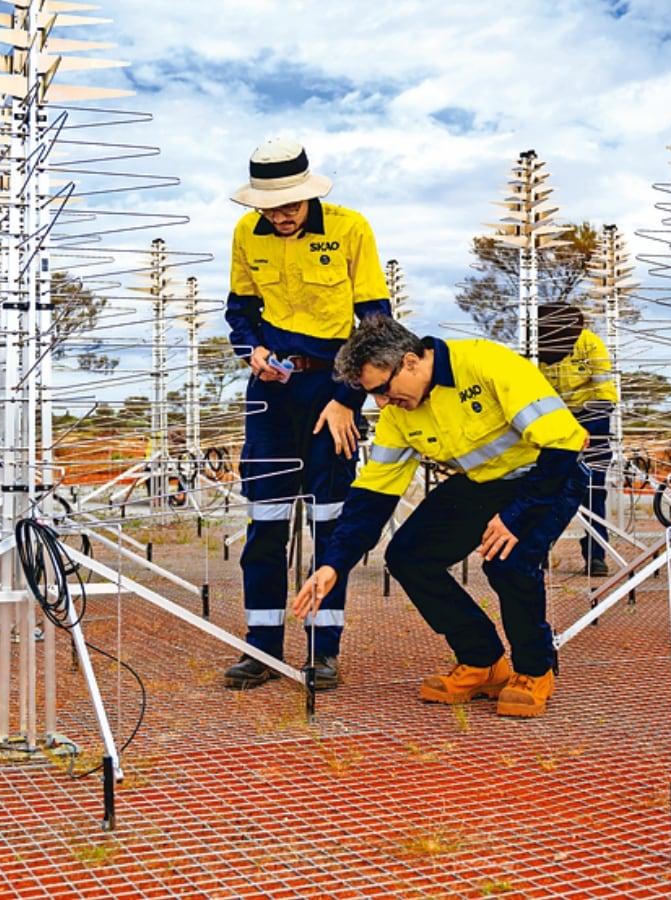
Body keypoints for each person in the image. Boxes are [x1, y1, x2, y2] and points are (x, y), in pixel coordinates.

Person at [290, 316, 588, 718]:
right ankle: (483, 662)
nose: (380, 403)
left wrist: (515, 517)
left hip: (549, 473)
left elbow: (563, 442)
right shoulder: (399, 414)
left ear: (410, 362)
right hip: (484, 483)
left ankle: (535, 669)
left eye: (382, 389)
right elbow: (372, 496)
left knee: (509, 562)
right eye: (370, 394)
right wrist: (333, 565)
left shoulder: (486, 363)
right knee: (409, 556)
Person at [222, 138, 391, 691]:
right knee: (265, 524)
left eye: (289, 204)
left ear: (308, 192)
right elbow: (240, 311)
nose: (281, 215)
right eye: (270, 207)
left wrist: (348, 398)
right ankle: (262, 647)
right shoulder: (246, 233)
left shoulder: (350, 228)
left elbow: (375, 323)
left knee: (329, 522)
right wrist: (251, 351)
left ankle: (324, 650)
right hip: (270, 392)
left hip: (331, 387)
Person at [537, 302, 619, 577]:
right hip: (555, 420)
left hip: (592, 417)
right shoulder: (537, 350)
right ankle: (539, 547)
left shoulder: (590, 345)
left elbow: (604, 392)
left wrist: (589, 428)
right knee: (548, 486)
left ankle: (596, 554)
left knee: (592, 488)